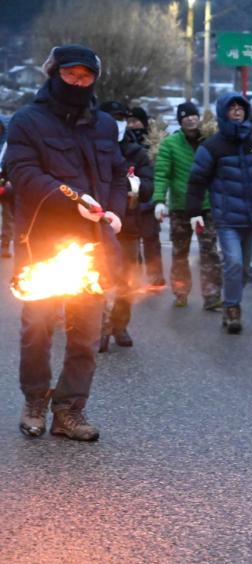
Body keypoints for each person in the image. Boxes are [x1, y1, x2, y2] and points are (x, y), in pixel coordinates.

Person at [6, 44, 126, 441]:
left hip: (93, 243)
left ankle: (70, 410)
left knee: (87, 333)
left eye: (86, 76)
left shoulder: (105, 125)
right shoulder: (27, 120)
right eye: (70, 74)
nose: (78, 82)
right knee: (38, 327)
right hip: (41, 243)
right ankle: (35, 400)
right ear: (53, 73)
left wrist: (115, 210)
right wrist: (73, 200)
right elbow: (22, 172)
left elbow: (117, 174)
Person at [186, 93, 252, 334]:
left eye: (241, 107)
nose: (237, 111)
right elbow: (197, 180)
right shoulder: (212, 147)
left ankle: (230, 299)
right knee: (234, 263)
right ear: (223, 112)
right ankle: (232, 308)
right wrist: (194, 211)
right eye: (232, 107)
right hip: (226, 218)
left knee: (243, 269)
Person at [152, 102, 222, 310]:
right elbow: (162, 174)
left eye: (194, 115)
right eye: (185, 116)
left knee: (209, 251)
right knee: (180, 251)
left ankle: (212, 295)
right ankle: (181, 291)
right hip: (180, 207)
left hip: (206, 205)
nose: (191, 119)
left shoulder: (210, 141)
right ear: (180, 120)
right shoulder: (170, 144)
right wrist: (159, 200)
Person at [97, 100, 154, 352]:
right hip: (96, 224)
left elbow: (149, 187)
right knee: (96, 276)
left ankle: (119, 325)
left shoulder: (136, 152)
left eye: (122, 118)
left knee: (126, 279)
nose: (118, 123)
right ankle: (99, 326)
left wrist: (135, 184)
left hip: (128, 225)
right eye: (113, 118)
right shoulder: (90, 147)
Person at [128, 105, 165, 287]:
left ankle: (155, 276)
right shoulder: (124, 141)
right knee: (131, 240)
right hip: (130, 199)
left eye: (136, 121)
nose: (132, 125)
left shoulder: (155, 143)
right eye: (130, 121)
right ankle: (133, 277)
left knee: (151, 239)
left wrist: (159, 199)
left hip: (149, 199)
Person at [0, 118, 13, 259]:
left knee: (8, 215)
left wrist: (9, 180)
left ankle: (4, 245)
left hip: (5, 181)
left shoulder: (10, 142)